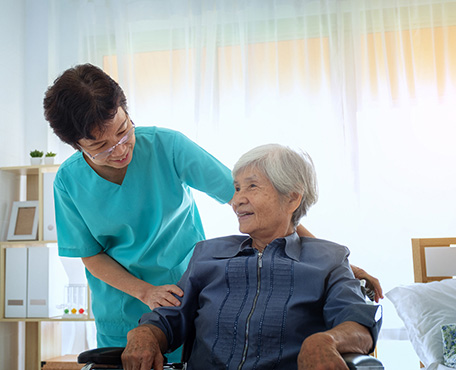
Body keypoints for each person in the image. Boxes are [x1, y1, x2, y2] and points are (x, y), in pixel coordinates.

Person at [42, 64, 382, 352]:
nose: (119, 149)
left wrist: (332, 262)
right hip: (123, 307)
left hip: (186, 298)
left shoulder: (167, 146)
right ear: (76, 145)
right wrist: (145, 292)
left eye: (123, 131)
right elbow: (91, 254)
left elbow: (264, 209)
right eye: (101, 146)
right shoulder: (69, 182)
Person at [122, 144, 382, 370]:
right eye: (236, 188)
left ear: (292, 197)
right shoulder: (207, 254)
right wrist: (145, 332)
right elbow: (171, 317)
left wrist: (326, 340)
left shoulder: (329, 260)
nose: (236, 201)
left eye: (252, 186)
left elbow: (358, 324)